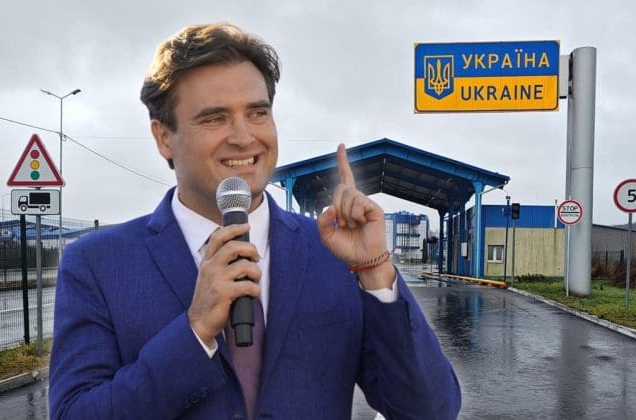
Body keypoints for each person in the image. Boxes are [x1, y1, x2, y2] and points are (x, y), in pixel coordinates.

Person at [49, 22, 461, 419]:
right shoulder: (98, 264)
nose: (244, 137)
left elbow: (429, 411)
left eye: (257, 113)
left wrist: (376, 272)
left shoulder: (333, 254)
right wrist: (194, 332)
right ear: (163, 138)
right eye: (214, 118)